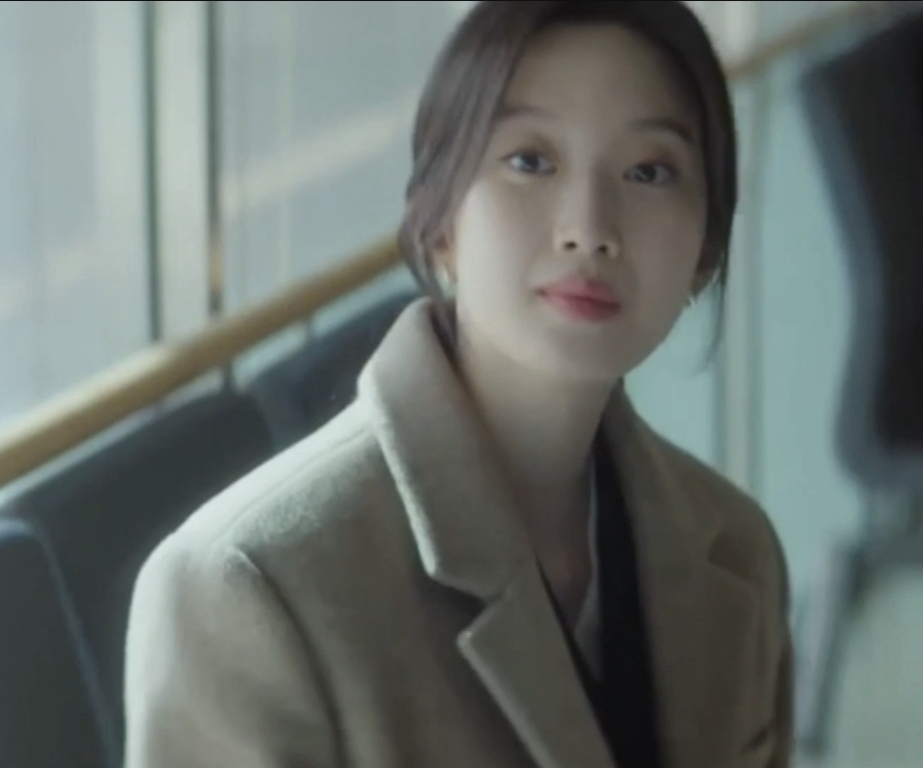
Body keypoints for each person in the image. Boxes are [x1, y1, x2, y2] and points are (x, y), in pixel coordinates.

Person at [123, 2, 792, 767]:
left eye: (648, 171)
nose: (588, 227)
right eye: (530, 160)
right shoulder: (247, 588)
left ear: (704, 251)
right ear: (440, 222)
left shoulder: (735, 551)